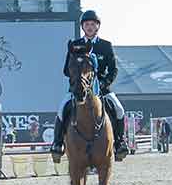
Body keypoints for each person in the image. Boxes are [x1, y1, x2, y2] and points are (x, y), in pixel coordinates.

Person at [51, 10, 128, 161]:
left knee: (119, 109)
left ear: (98, 26)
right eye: (87, 24)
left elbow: (113, 69)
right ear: (83, 27)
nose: (90, 27)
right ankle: (58, 144)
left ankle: (119, 142)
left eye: (93, 24)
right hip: (79, 88)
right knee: (62, 109)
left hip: (102, 89)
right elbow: (66, 70)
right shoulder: (75, 45)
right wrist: (78, 79)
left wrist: (104, 82)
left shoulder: (106, 46)